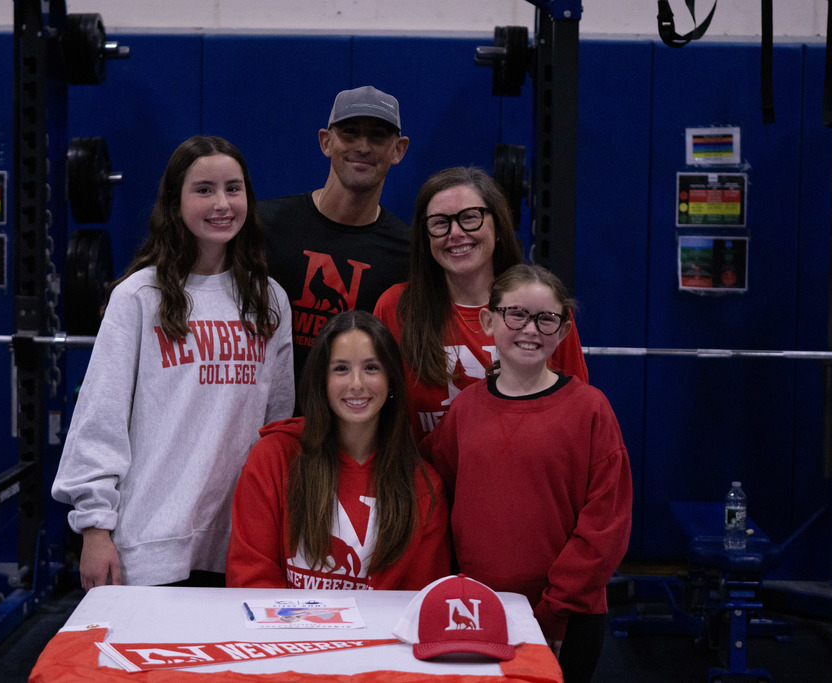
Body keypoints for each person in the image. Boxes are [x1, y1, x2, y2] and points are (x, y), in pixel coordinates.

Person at [52, 136, 295, 590]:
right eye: (203, 189)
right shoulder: (138, 297)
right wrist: (94, 529)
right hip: (148, 547)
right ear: (175, 201)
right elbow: (99, 421)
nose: (222, 203)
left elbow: (277, 431)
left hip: (239, 547)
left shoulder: (269, 301)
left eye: (233, 188)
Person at [420, 264, 632, 683]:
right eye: (516, 314)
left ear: (564, 329)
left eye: (545, 318)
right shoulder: (466, 409)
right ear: (488, 320)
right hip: (477, 610)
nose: (529, 329)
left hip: (567, 618)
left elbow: (605, 528)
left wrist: (555, 613)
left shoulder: (590, 409)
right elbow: (429, 490)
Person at [225, 310, 449, 590]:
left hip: (379, 635)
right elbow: (250, 577)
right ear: (322, 380)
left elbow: (417, 604)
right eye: (341, 369)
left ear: (391, 379)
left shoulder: (423, 487)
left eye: (371, 368)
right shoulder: (273, 457)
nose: (357, 384)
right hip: (283, 632)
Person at [373, 165, 589, 440]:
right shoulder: (396, 307)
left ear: (498, 226)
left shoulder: (543, 306)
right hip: (426, 480)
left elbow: (576, 417)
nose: (455, 232)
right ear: (425, 237)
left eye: (470, 217)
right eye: (440, 222)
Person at [259, 85, 411, 391]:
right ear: (326, 142)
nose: (363, 146)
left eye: (378, 136)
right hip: (262, 427)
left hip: (351, 428)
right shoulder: (263, 225)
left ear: (399, 150)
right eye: (350, 132)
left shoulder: (408, 254)